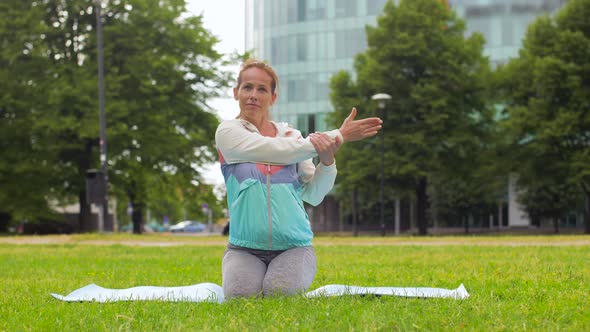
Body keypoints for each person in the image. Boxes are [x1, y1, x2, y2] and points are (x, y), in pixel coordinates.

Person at [215, 58, 382, 299]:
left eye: (262, 89)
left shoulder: (293, 136)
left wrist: (327, 161)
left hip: (293, 247)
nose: (253, 95)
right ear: (236, 93)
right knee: (241, 298)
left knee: (279, 295)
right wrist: (339, 135)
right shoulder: (229, 133)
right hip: (244, 249)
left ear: (273, 97)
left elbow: (313, 194)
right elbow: (274, 150)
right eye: (247, 87)